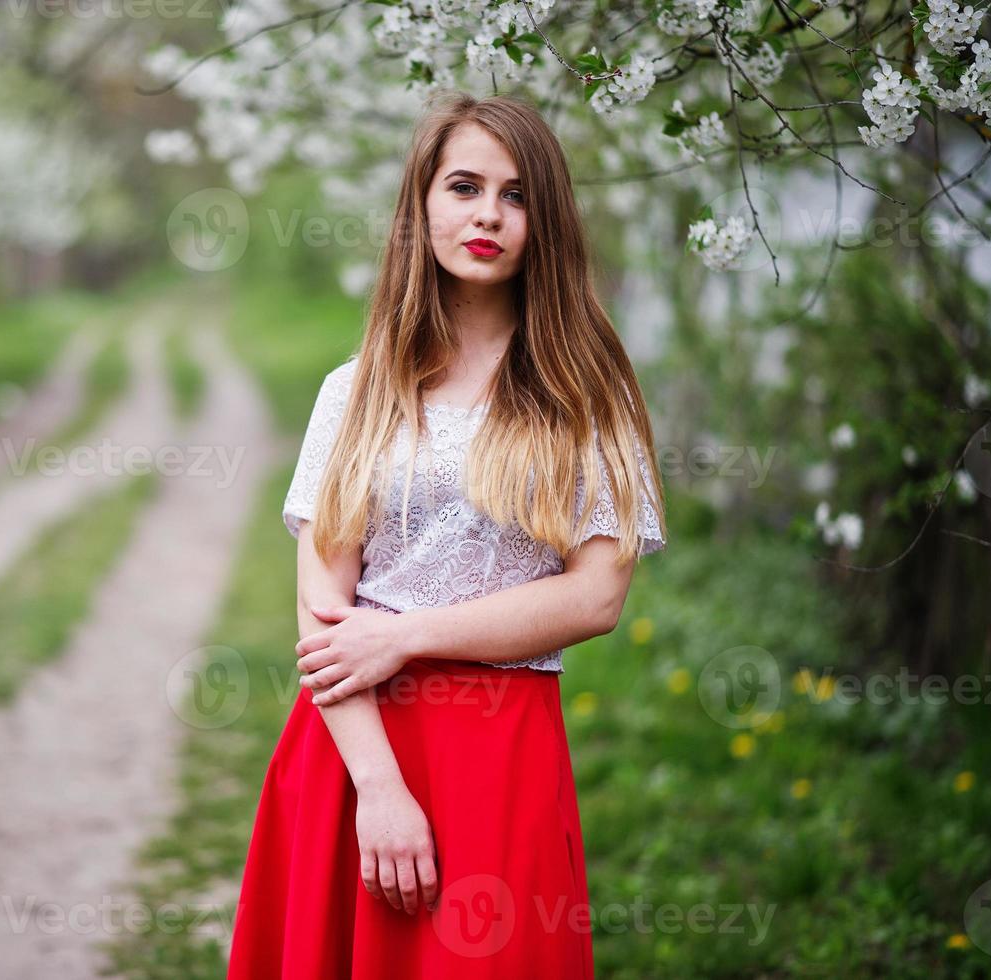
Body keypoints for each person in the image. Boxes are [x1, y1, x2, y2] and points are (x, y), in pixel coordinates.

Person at [224, 90, 669, 979]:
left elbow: (596, 595)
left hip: (501, 754)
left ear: (545, 220)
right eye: (464, 186)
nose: (488, 216)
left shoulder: (591, 391)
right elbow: (322, 615)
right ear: (421, 203)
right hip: (350, 751)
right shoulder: (351, 391)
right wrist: (379, 790)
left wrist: (407, 634)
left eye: (516, 195)